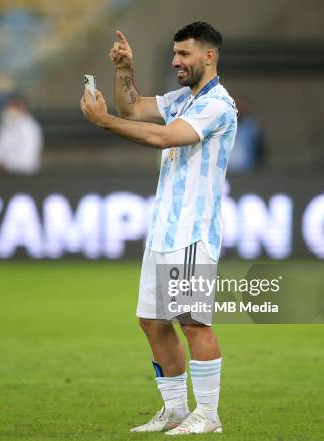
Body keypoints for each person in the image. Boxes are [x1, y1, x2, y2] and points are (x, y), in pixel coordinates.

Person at [80, 22, 237, 435]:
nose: (175, 61)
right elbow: (133, 108)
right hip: (163, 230)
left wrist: (105, 122)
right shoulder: (183, 99)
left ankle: (208, 414)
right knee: (152, 320)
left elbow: (166, 138)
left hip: (192, 233)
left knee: (193, 322)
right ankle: (174, 410)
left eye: (184, 54)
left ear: (209, 56)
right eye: (174, 54)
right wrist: (124, 71)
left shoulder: (218, 105)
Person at [0, 96, 43, 174]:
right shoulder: (7, 124)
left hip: (20, 169)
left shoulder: (29, 127)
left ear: (21, 108)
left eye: (12, 106)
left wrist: (4, 164)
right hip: (4, 166)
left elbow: (27, 155)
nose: (8, 109)